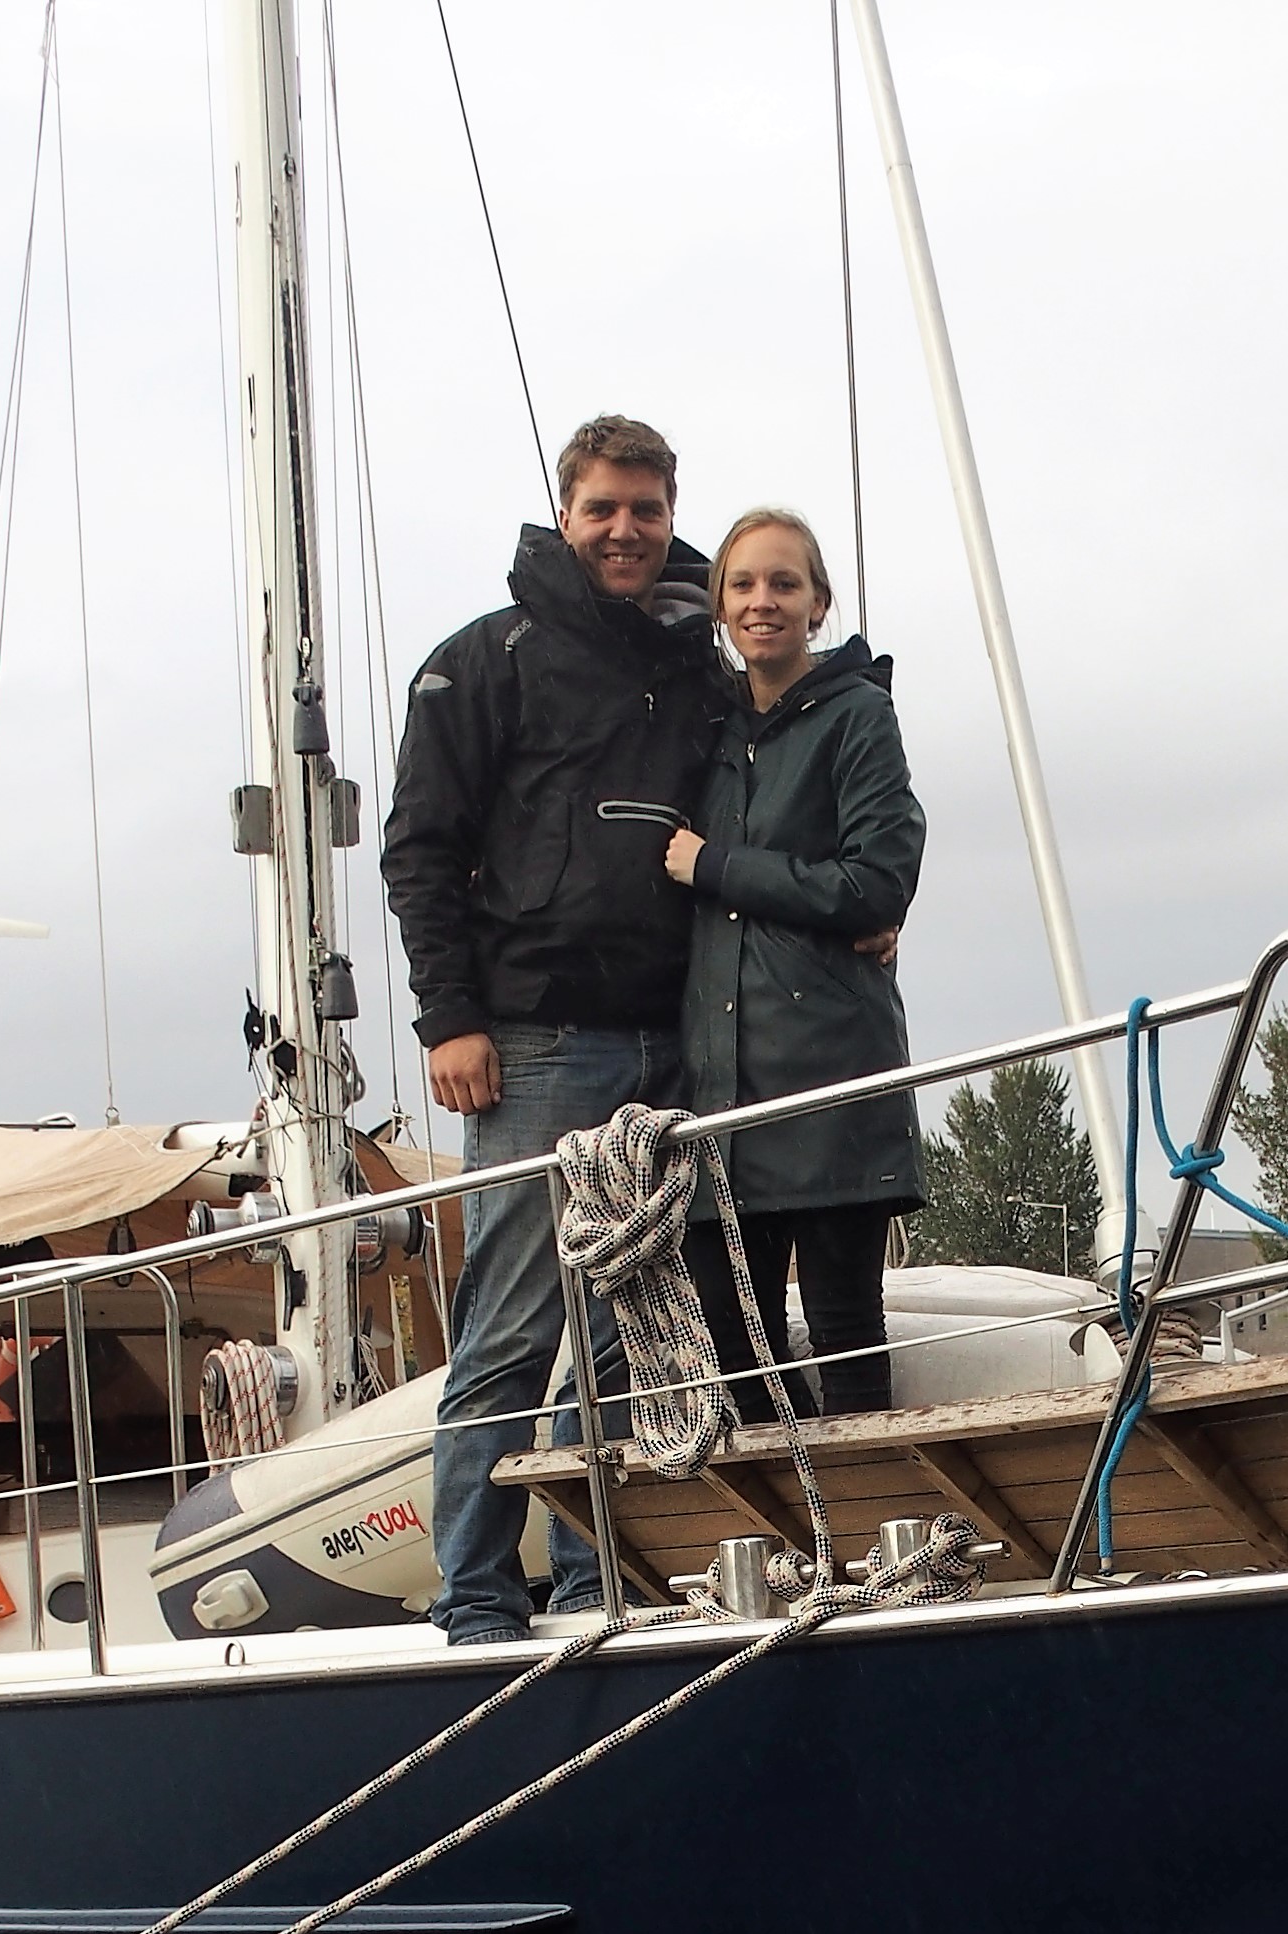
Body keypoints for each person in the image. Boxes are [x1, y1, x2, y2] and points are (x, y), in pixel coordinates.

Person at [384, 414, 723, 1644]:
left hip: (670, 1042)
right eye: (603, 509)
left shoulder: (701, 666)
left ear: (670, 513)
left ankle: (595, 1584)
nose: (626, 530)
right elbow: (419, 848)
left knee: (629, 1337)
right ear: (564, 513)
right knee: (513, 1329)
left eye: (645, 508)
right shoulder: (484, 661)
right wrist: (449, 1018)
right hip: (529, 1044)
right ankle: (475, 1596)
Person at [662, 507, 927, 1417]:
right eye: (742, 585)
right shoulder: (705, 727)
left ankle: (874, 1538)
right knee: (734, 1348)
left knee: (847, 1327)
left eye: (784, 584)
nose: (762, 601)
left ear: (819, 603)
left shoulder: (860, 718)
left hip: (828, 1085)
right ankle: (795, 1546)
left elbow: (878, 882)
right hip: (719, 1103)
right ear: (719, 605)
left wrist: (718, 867)